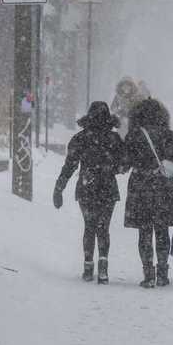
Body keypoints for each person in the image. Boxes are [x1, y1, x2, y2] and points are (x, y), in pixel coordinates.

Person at [53, 101, 126, 284]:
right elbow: (124, 164)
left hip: (87, 187)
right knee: (104, 228)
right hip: (108, 187)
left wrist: (59, 187)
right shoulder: (114, 139)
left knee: (89, 226)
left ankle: (88, 266)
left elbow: (69, 166)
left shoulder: (81, 138)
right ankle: (103, 267)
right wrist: (111, 168)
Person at [123, 97, 173, 288]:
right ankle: (162, 272)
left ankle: (148, 274)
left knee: (144, 232)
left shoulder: (133, 136)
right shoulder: (170, 136)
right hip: (164, 188)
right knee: (162, 231)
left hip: (140, 187)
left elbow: (123, 164)